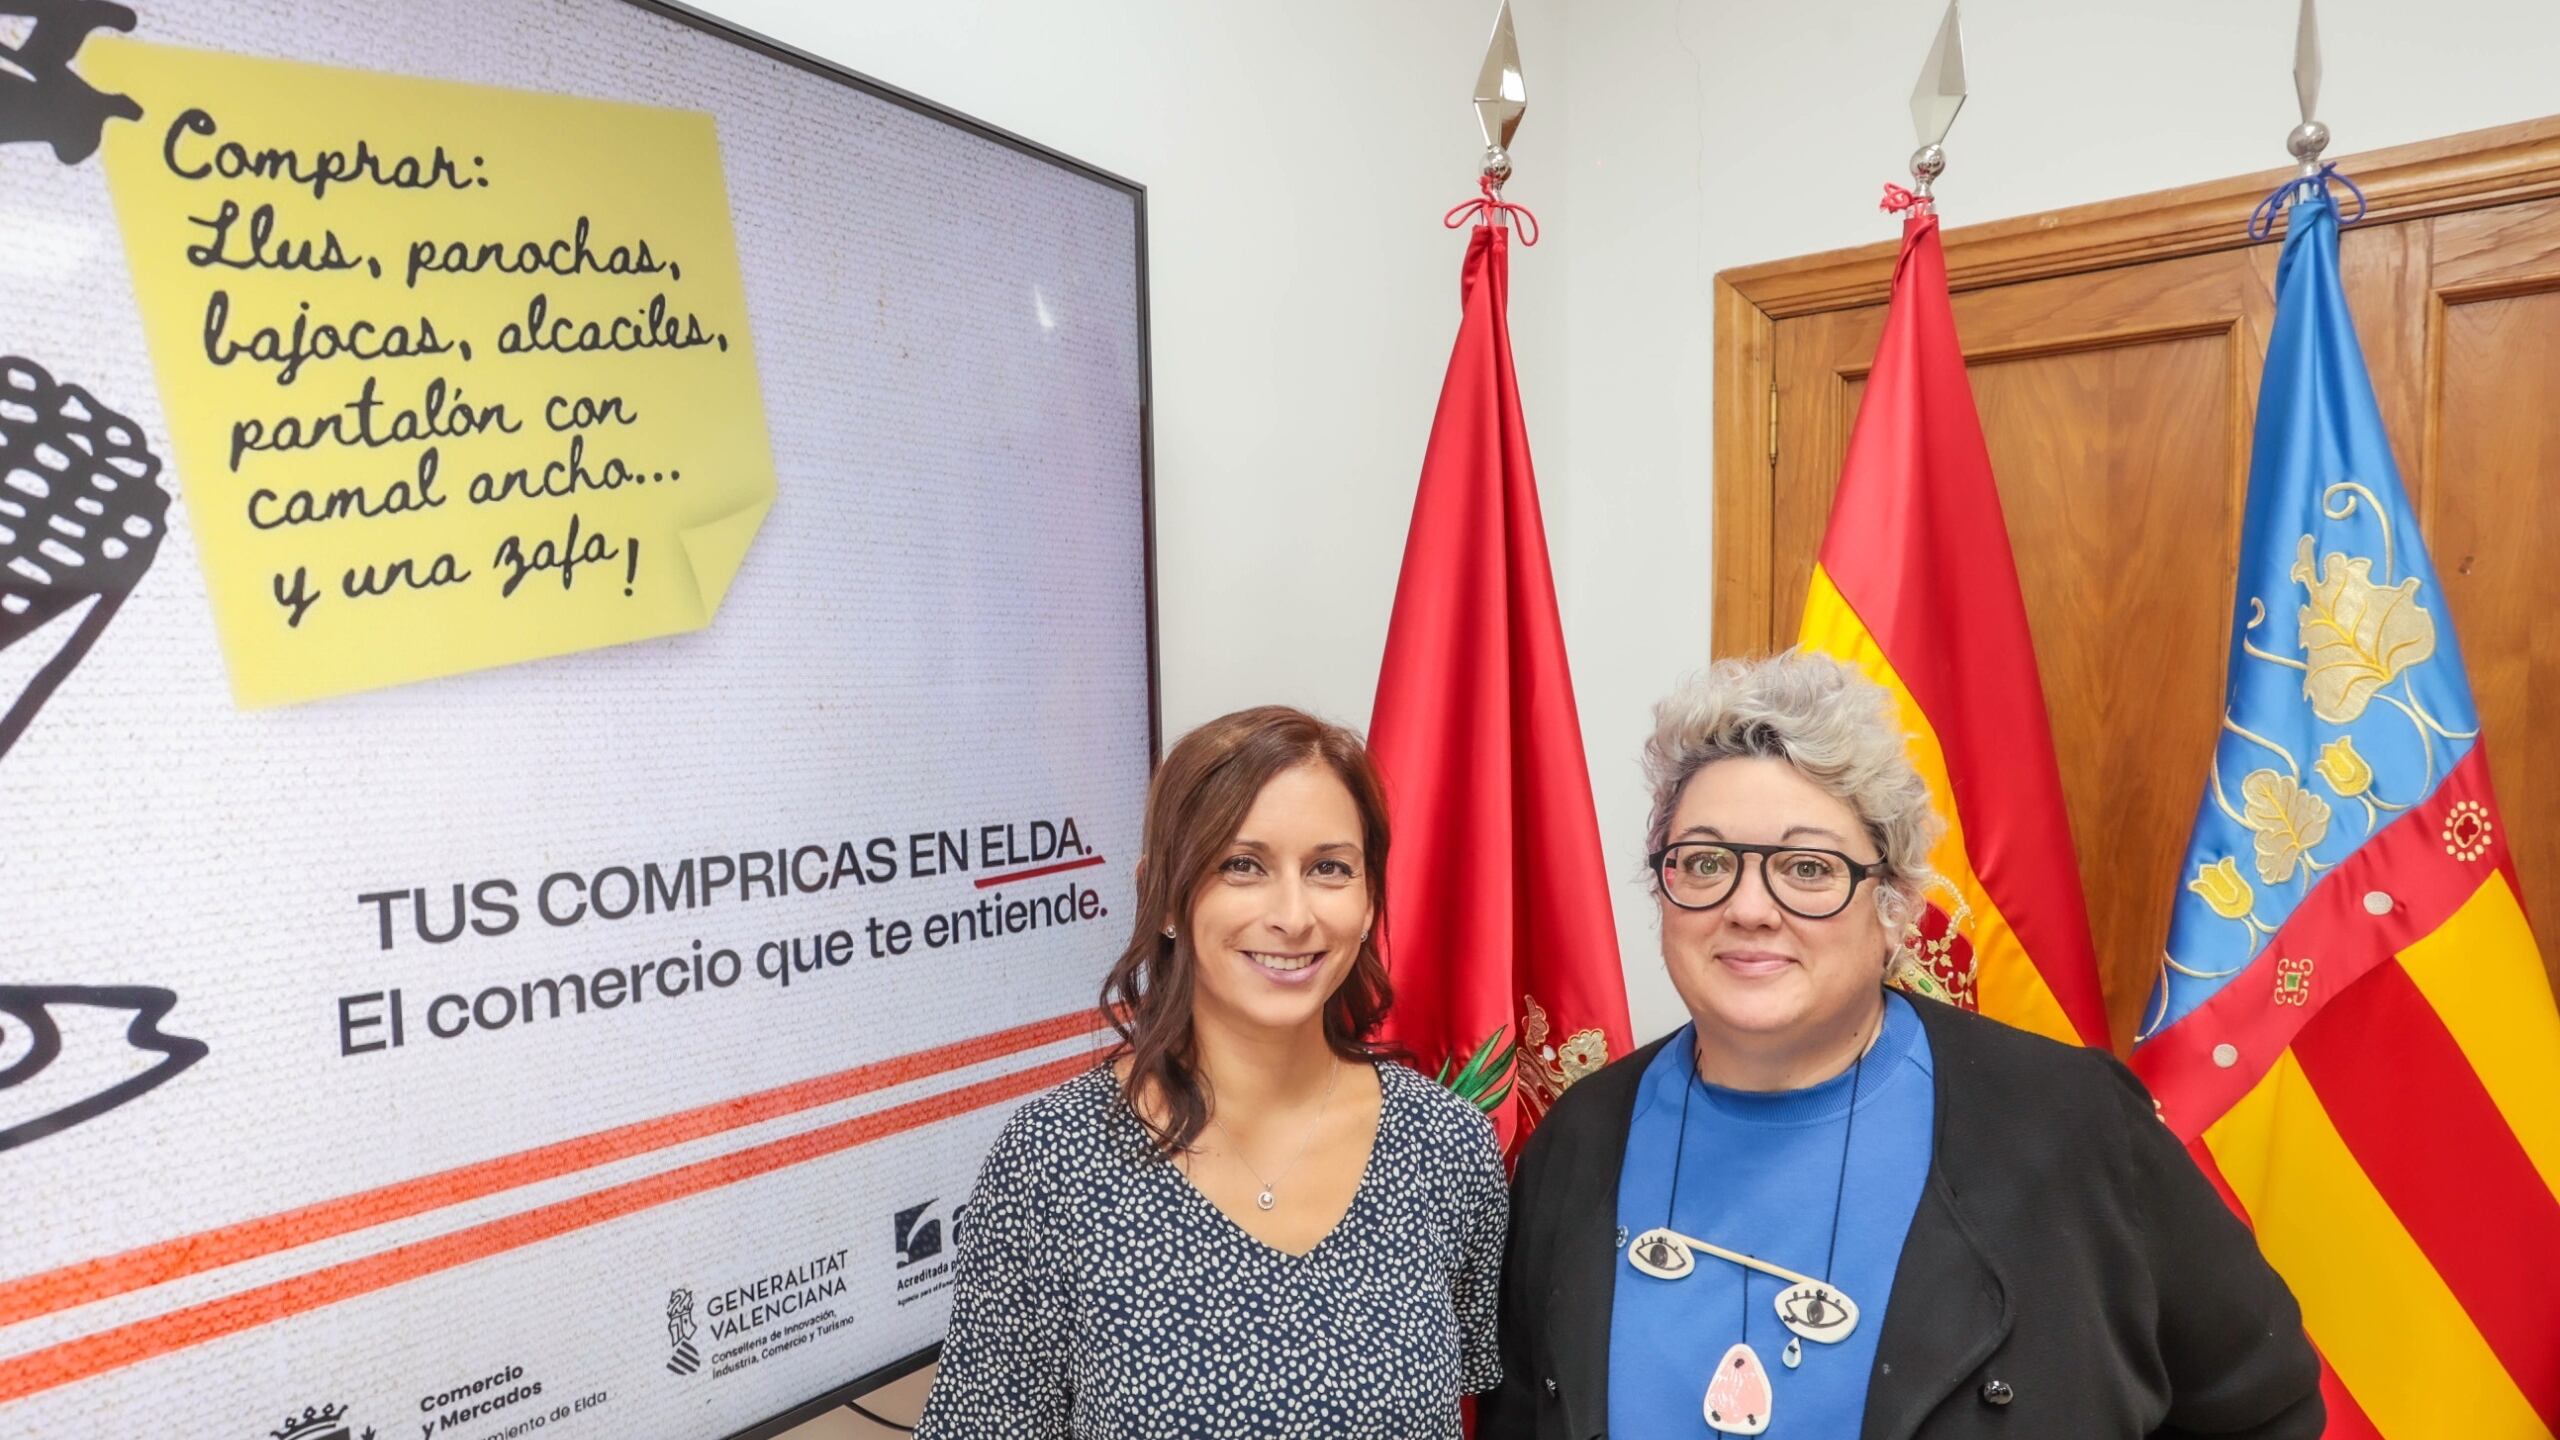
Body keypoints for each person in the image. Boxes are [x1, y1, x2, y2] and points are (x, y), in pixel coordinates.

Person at [1480, 652, 2320, 1439]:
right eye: (1705, 863)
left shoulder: (2071, 1128)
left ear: (1891, 903)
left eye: (1807, 869)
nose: (1749, 908)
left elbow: (2264, 1402)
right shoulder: (1584, 1137)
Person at [916, 705, 1508, 1439]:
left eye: (1329, 868)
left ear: (1367, 900)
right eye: (1242, 865)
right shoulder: (1050, 1161)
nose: (1293, 916)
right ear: (1164, 896)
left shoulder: (1447, 1145)